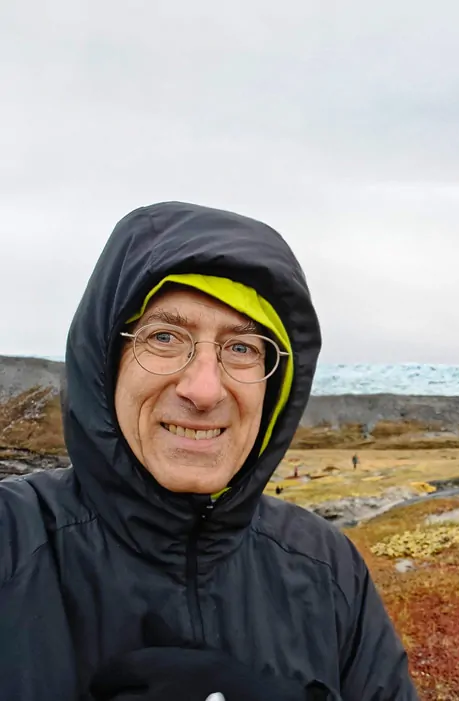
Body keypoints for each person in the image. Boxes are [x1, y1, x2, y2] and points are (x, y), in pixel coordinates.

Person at [0, 202, 420, 700]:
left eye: (242, 347)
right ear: (106, 361)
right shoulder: (12, 541)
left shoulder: (326, 567)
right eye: (164, 337)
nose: (204, 390)